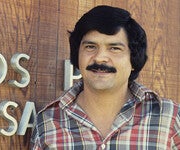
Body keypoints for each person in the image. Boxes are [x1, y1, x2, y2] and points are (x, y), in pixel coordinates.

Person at [30, 5, 180, 149]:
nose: (100, 58)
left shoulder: (169, 118)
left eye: (114, 48)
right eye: (90, 47)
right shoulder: (48, 121)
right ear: (77, 55)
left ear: (133, 59)